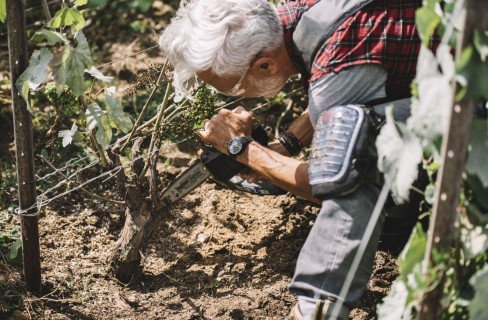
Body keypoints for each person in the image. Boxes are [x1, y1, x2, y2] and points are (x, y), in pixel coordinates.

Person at [158, 0, 437, 319]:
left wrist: (242, 148)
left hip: (472, 109)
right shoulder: (310, 16)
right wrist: (287, 145)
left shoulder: (339, 60)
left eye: (237, 87)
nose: (242, 96)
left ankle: (316, 309)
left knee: (356, 163)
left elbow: (328, 181)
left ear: (264, 65)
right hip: (450, 75)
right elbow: (347, 88)